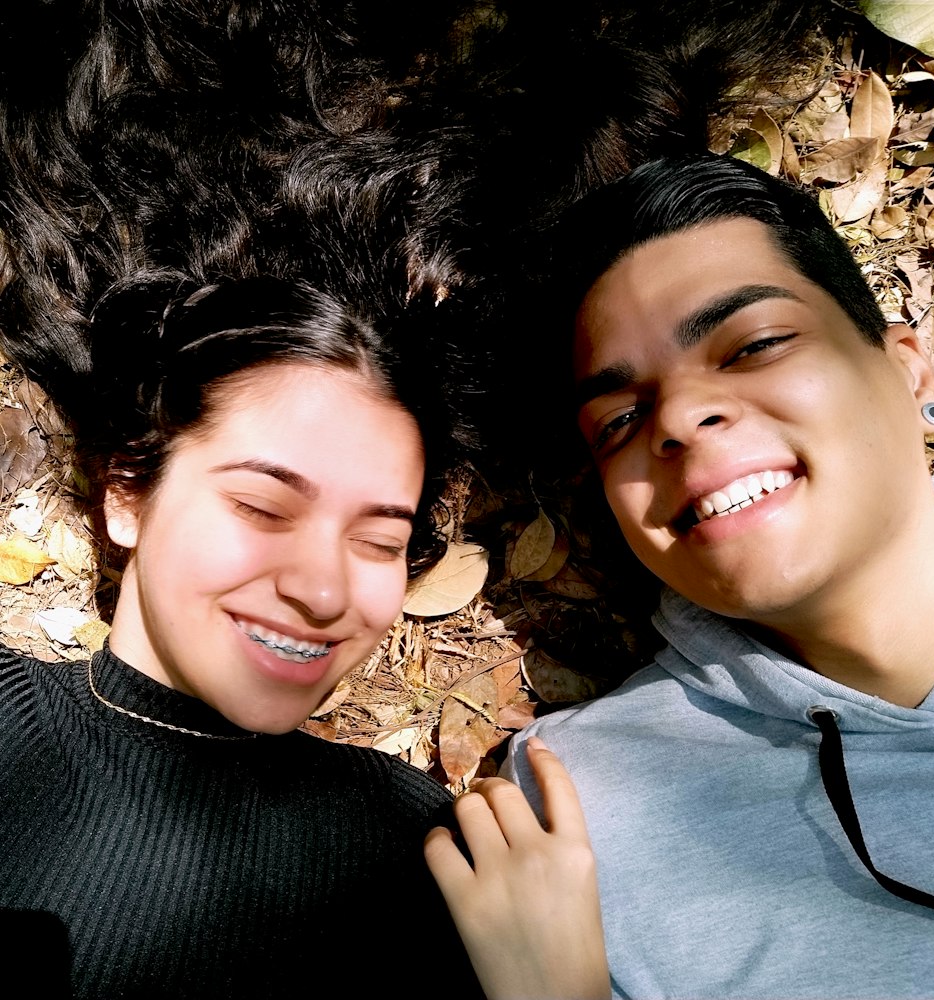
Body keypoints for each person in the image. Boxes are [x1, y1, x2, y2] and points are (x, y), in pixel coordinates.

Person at [0, 271, 606, 999]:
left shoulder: (428, 854)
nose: (322, 592)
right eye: (262, 507)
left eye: (380, 541)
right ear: (127, 491)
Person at [503, 152, 934, 999]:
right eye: (620, 418)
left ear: (909, 366)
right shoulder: (584, 814)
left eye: (755, 345)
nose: (679, 418)